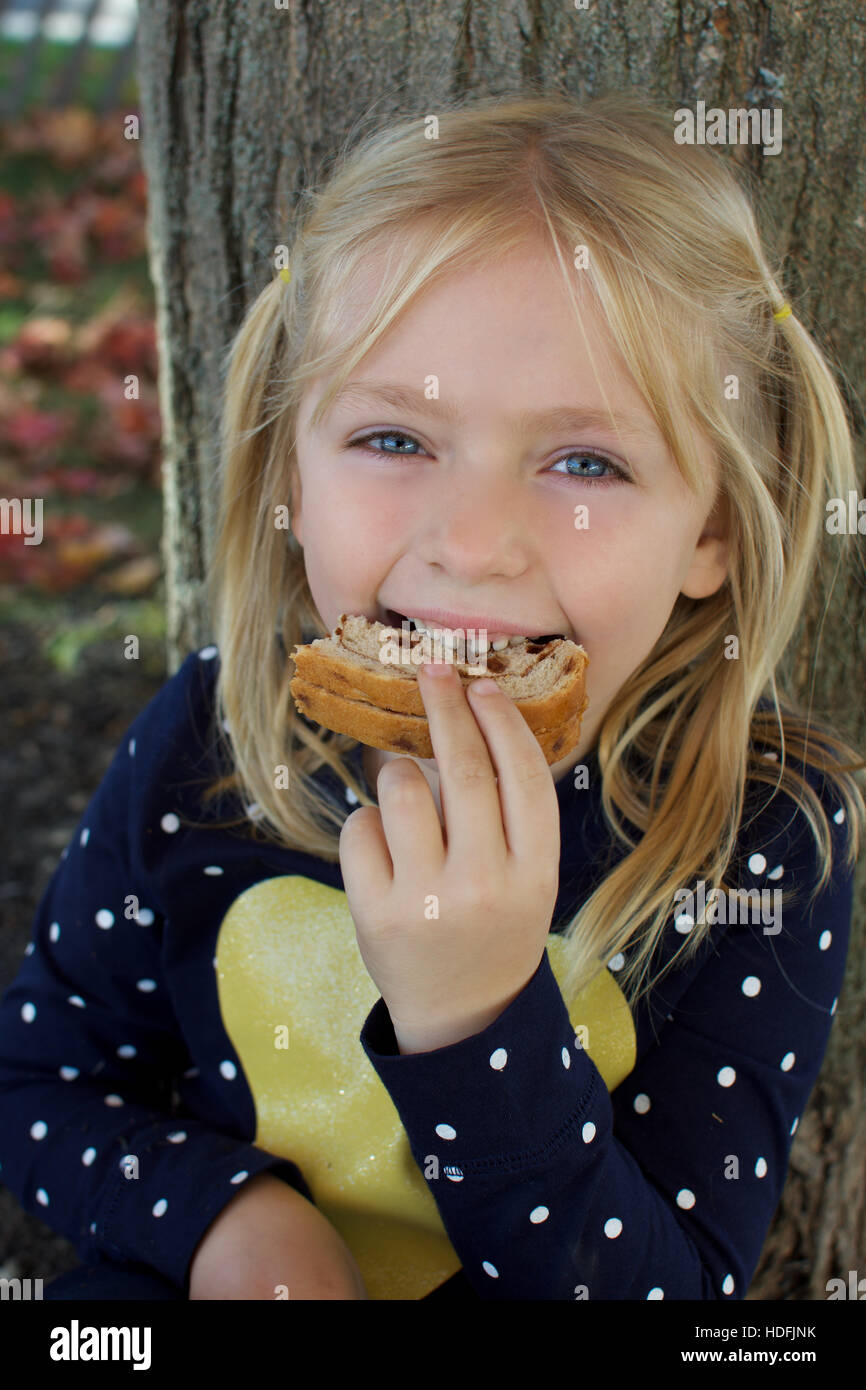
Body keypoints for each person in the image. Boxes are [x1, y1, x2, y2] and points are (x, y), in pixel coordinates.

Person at [1, 90, 863, 1302]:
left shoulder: (756, 838)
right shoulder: (215, 737)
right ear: (287, 459)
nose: (472, 543)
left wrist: (477, 1017)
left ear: (711, 527)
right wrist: (222, 1218)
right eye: (396, 440)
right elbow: (36, 1080)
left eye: (584, 462)